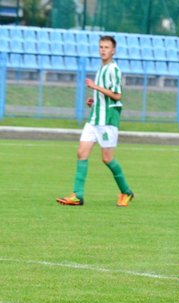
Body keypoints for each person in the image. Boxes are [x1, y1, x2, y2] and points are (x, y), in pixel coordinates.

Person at [57, 35, 134, 207]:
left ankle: (126, 191)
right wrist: (94, 101)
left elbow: (117, 95)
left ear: (113, 51)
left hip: (107, 120)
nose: (103, 50)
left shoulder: (113, 69)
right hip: (94, 118)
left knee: (107, 159)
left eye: (106, 47)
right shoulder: (101, 68)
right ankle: (77, 195)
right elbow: (104, 95)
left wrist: (95, 87)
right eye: (101, 47)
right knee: (81, 153)